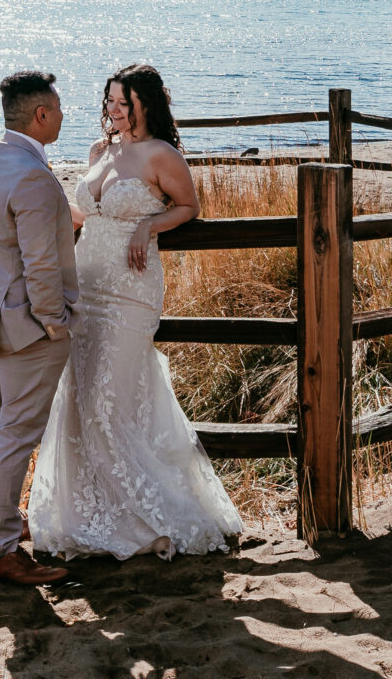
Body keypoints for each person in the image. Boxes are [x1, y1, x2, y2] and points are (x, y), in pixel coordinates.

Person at [28, 62, 242, 562]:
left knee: (107, 402)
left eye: (122, 102)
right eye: (108, 102)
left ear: (145, 103)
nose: (113, 110)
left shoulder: (160, 155)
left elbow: (189, 206)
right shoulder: (100, 151)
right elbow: (86, 214)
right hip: (87, 285)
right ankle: (92, 514)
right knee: (80, 398)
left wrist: (149, 227)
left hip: (130, 292)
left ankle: (155, 516)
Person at [0, 70, 78, 584]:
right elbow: (40, 266)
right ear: (40, 115)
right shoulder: (33, 176)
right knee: (16, 434)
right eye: (57, 109)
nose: (62, 115)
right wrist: (56, 325)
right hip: (29, 326)